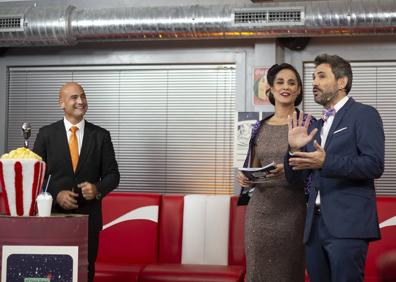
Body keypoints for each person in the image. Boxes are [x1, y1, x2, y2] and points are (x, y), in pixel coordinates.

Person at [285, 54, 385, 282]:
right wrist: (292, 150)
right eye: (312, 78)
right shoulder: (314, 125)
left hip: (347, 226)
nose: (314, 83)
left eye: (321, 76)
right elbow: (294, 179)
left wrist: (326, 162)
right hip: (314, 226)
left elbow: (374, 165)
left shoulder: (364, 114)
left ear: (342, 82)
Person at [33, 82, 120, 282]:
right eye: (74, 97)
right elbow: (36, 173)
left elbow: (113, 175)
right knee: (51, 274)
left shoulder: (101, 136)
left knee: (84, 273)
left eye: (83, 96)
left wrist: (97, 189)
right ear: (61, 103)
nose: (80, 101)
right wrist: (57, 194)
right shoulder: (46, 134)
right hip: (53, 218)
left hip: (88, 220)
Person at [237, 63, 308, 282]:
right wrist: (246, 178)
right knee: (257, 273)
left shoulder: (308, 123)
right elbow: (255, 164)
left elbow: (314, 171)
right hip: (260, 214)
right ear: (271, 90)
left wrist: (287, 171)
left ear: (298, 90)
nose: (285, 87)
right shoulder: (259, 127)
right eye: (280, 82)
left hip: (293, 213)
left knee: (289, 274)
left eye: (291, 82)